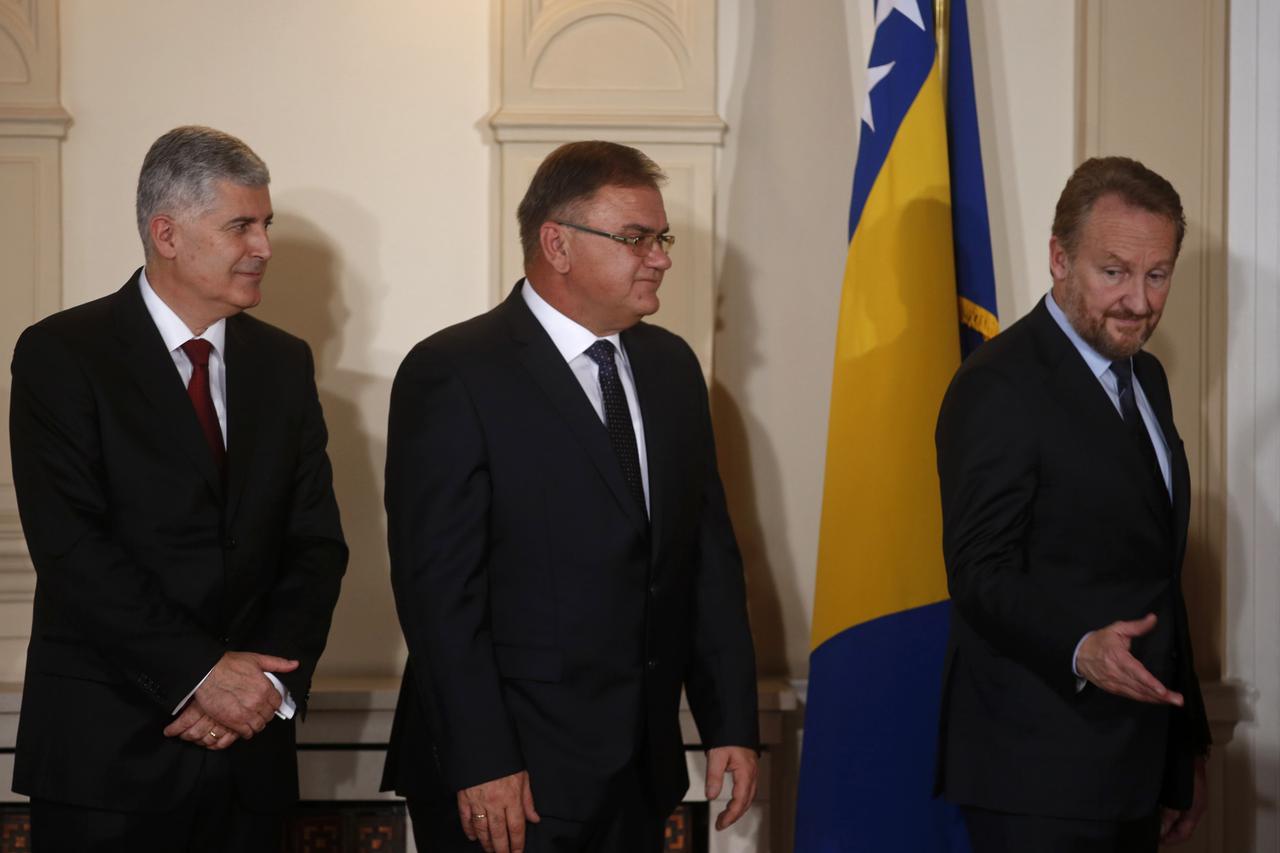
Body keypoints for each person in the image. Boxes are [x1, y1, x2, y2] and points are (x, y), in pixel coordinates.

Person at [381, 140, 759, 853]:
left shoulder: (672, 366)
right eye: (635, 238)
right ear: (556, 243)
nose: (661, 257)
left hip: (639, 773)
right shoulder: (453, 373)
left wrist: (732, 723)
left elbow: (705, 559)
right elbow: (439, 593)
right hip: (507, 780)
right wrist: (485, 759)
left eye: (661, 237)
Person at [9, 125, 348, 852]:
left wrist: (260, 690)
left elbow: (316, 545)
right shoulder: (62, 354)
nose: (262, 246)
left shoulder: (284, 364)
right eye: (240, 225)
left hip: (250, 757)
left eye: (266, 224)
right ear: (167, 233)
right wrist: (199, 675)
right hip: (108, 758)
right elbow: (73, 550)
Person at [934, 156, 1212, 852]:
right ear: (1059, 259)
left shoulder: (1146, 376)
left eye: (1158, 274)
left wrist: (1185, 749)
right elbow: (979, 571)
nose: (1139, 302)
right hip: (1035, 774)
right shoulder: (999, 383)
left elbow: (1155, 579)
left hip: (1135, 763)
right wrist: (1079, 646)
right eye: (1113, 271)